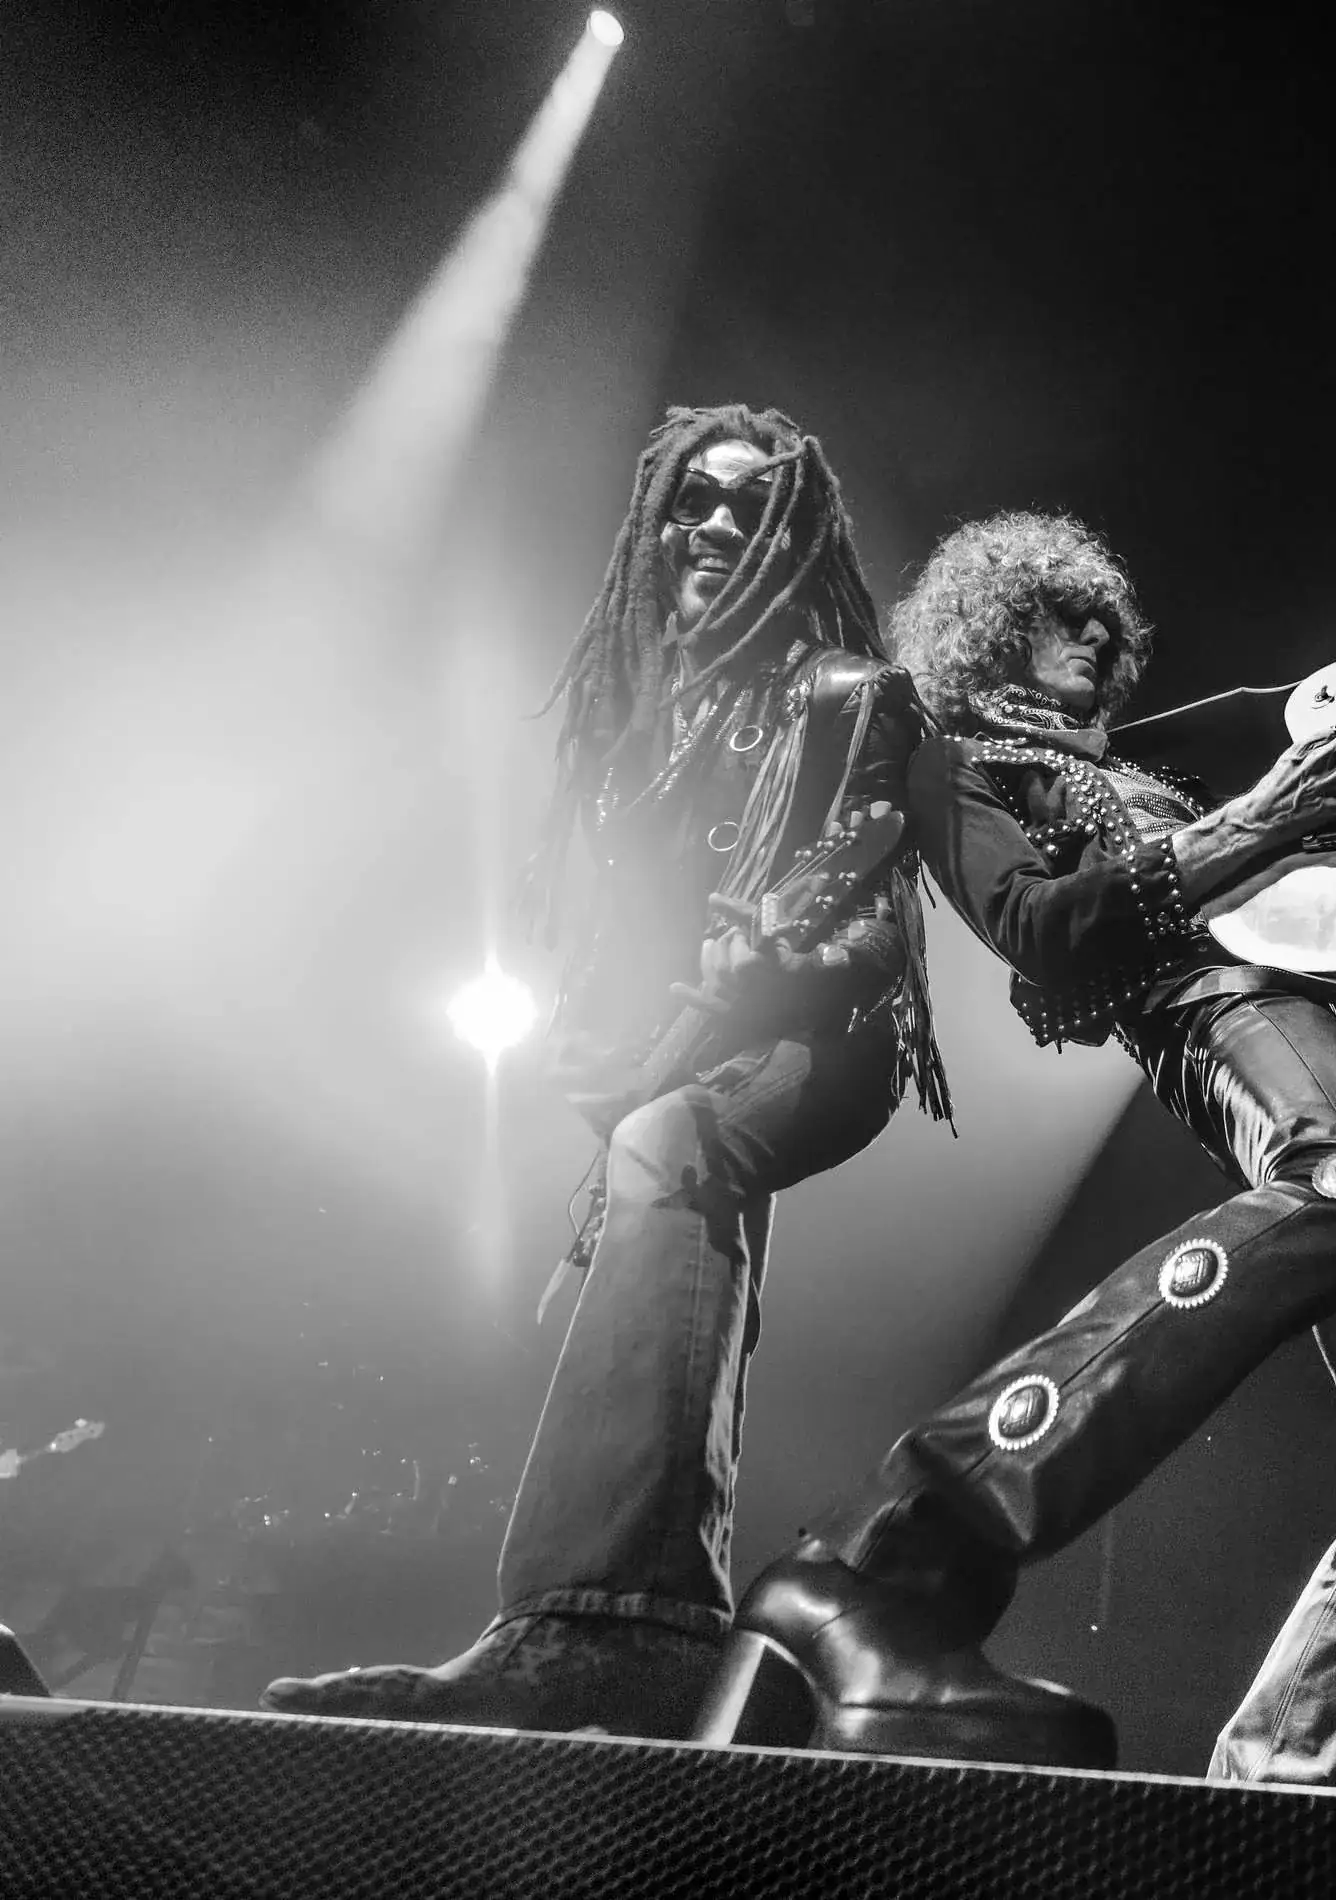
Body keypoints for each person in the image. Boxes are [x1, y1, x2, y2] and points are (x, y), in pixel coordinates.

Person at [697, 510, 1336, 1779]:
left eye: (1111, 627)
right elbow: (1038, 928)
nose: (1098, 638)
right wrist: (1259, 825)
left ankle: (1267, 1787)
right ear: (997, 626)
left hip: (1281, 1002)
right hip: (1212, 1007)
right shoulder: (961, 764)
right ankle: (908, 1526)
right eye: (1068, 614)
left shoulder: (1136, 751)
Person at [262, 404, 947, 1737]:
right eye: (695, 500)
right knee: (668, 1218)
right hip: (682, 1058)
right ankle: (629, 1619)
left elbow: (874, 924)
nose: (715, 526)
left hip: (821, 1042)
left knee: (676, 1151)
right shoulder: (646, 724)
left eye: (752, 509)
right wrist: (603, 1036)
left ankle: (603, 1630)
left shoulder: (848, 696)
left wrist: (766, 960)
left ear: (795, 537)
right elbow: (619, 929)